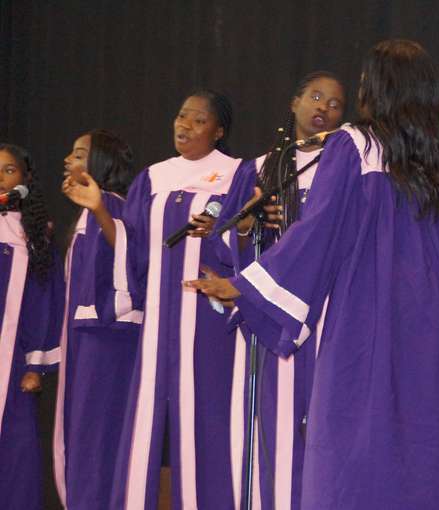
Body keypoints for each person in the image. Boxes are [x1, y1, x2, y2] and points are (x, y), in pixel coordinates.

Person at [187, 39, 439, 509]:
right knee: (436, 440)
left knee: (359, 447)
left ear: (379, 88)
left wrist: (247, 286)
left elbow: (318, 233)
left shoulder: (355, 145)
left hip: (370, 315)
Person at [60, 90, 255, 509]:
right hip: (159, 321)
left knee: (209, 418)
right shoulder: (153, 177)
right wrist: (100, 209)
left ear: (219, 131)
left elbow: (247, 242)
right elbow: (133, 252)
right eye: (182, 116)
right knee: (145, 423)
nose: (185, 125)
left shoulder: (238, 174)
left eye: (199, 120)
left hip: (210, 319)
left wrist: (225, 237)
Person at [215, 70, 345, 509]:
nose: (324, 108)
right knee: (271, 425)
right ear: (294, 102)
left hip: (329, 312)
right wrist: (248, 223)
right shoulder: (258, 169)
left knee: (325, 425)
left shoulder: (344, 170)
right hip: (271, 313)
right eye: (315, 97)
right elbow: (223, 241)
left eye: (335, 104)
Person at [53, 129, 140, 509]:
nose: (67, 161)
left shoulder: (114, 208)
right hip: (85, 337)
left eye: (78, 154)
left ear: (100, 161)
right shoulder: (91, 211)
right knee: (82, 430)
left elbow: (134, 259)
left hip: (107, 337)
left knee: (97, 433)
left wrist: (99, 208)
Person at [0, 143, 64, 510]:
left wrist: (35, 365)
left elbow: (46, 301)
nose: (0, 178)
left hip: (13, 358)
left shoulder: (35, 236)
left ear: (25, 179)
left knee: (16, 447)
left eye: (9, 170)